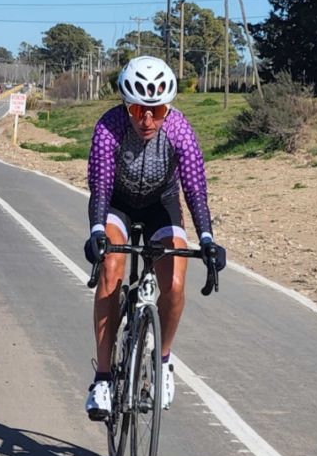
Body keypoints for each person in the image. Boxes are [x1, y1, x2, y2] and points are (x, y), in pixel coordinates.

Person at [84, 55, 225, 420]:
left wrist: (207, 238)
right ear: (125, 106)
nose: (147, 120)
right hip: (118, 203)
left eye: (157, 110)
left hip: (161, 204)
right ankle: (102, 379)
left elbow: (195, 188)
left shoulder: (179, 130)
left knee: (175, 284)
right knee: (111, 271)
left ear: (167, 109)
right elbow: (99, 188)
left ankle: (162, 362)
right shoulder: (108, 127)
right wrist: (97, 232)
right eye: (137, 109)